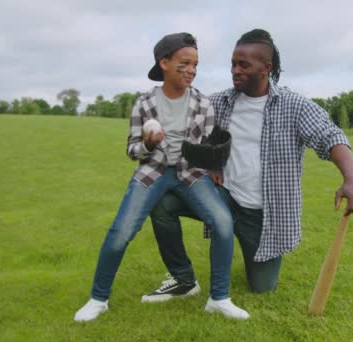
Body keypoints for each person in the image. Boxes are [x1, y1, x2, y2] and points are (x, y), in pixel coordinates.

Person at [141, 29, 353, 300]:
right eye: (233, 64)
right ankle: (183, 278)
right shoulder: (219, 102)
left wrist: (351, 179)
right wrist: (209, 164)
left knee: (262, 287)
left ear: (266, 69)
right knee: (161, 202)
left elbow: (330, 136)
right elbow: (193, 134)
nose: (235, 70)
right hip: (223, 199)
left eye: (244, 65)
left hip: (263, 215)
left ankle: (252, 257)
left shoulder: (294, 106)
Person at [74, 32, 249, 322]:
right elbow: (132, 150)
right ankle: (98, 299)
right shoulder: (144, 103)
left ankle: (219, 298)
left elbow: (204, 148)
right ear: (164, 63)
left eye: (195, 64)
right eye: (185, 63)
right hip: (151, 173)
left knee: (222, 222)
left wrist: (214, 162)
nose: (191, 70)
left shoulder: (203, 104)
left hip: (191, 173)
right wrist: (149, 144)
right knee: (121, 232)